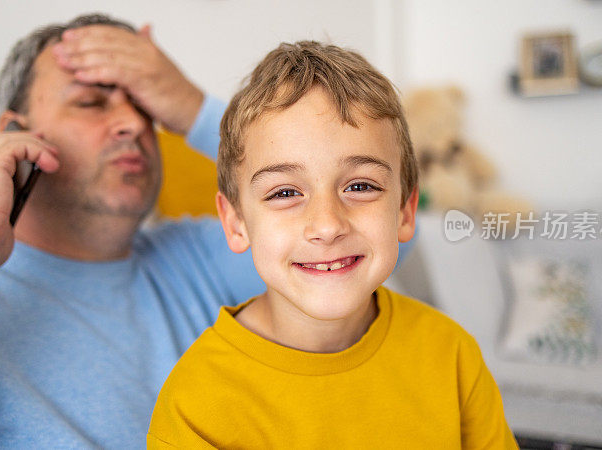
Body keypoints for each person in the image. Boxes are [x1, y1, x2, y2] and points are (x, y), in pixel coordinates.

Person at [0, 13, 267, 449]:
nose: (133, 124)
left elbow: (334, 223)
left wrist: (195, 109)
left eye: (145, 108)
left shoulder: (215, 254)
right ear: (13, 136)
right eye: (91, 102)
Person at [147, 41, 518, 448]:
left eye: (360, 186)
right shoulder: (197, 403)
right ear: (235, 223)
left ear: (405, 210)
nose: (326, 225)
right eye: (284, 192)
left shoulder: (451, 354)